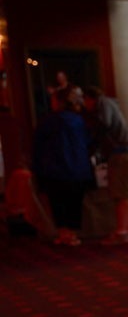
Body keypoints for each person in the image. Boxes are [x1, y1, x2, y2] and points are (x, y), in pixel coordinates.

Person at [31, 85, 94, 246]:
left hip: (54, 169)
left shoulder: (48, 121)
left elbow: (38, 146)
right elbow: (89, 143)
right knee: (74, 204)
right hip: (78, 169)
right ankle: (70, 234)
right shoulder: (80, 120)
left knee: (58, 204)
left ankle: (64, 233)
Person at [84, 86, 128, 244]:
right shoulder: (111, 104)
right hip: (125, 152)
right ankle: (126, 230)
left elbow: (104, 124)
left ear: (90, 98)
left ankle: (122, 231)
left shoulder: (103, 103)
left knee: (118, 194)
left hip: (121, 153)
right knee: (122, 193)